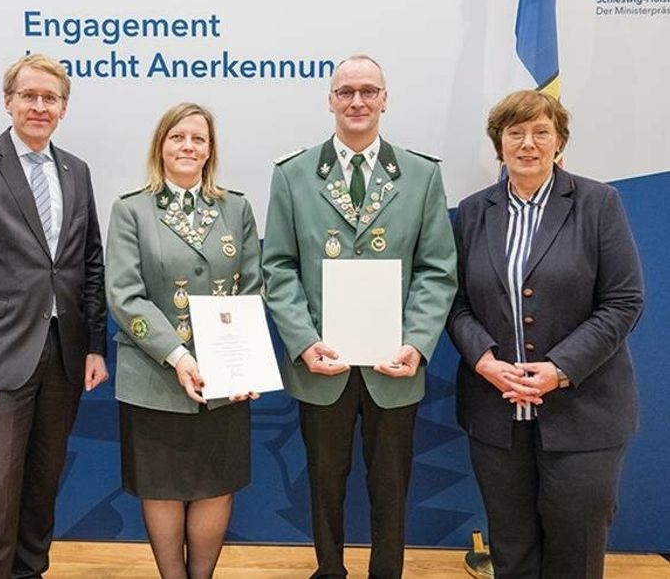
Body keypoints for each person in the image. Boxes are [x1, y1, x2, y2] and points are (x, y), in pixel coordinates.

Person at [262, 55, 457, 579]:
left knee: (391, 485)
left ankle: (386, 573)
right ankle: (329, 571)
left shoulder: (420, 175)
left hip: (394, 365)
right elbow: (277, 267)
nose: (357, 101)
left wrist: (416, 343)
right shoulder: (293, 174)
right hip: (320, 363)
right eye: (346, 91)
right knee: (324, 481)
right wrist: (303, 342)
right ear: (330, 100)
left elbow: (437, 270)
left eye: (369, 91)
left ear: (385, 99)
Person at [447, 90, 644, 579]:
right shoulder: (473, 212)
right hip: (497, 415)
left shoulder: (599, 203)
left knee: (574, 554)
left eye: (541, 132)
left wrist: (559, 370)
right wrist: (485, 361)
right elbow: (456, 303)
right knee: (511, 552)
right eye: (515, 132)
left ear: (560, 142)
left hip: (584, 414)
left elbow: (623, 301)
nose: (528, 143)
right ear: (499, 143)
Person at [0, 54, 109, 578]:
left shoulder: (75, 170)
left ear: (63, 108)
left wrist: (97, 345)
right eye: (29, 96)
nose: (39, 106)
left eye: (50, 98)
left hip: (64, 356)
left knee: (41, 487)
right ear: (8, 100)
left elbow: (89, 264)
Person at [105, 103, 262, 579]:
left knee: (217, 485)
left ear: (210, 149)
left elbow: (252, 287)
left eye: (198, 138)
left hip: (224, 376)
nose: (188, 146)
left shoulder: (236, 208)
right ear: (161, 146)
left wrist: (243, 362)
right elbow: (124, 295)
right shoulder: (131, 209)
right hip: (156, 375)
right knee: (163, 487)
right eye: (178, 137)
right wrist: (177, 355)